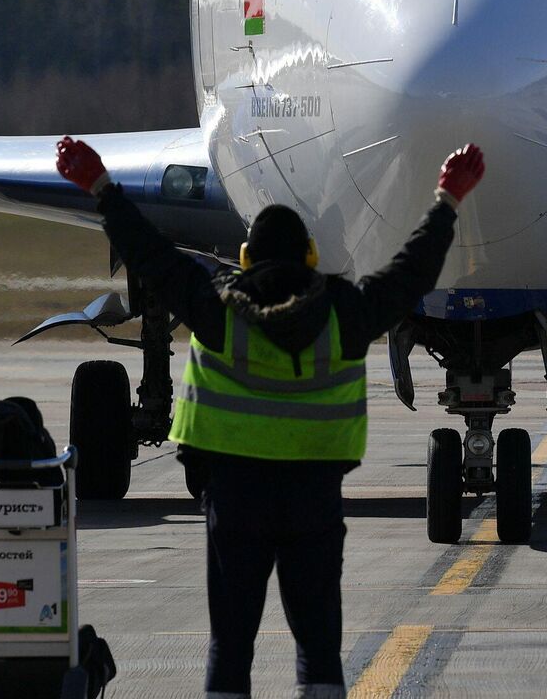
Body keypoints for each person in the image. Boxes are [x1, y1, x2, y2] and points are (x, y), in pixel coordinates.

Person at [55, 136, 485, 699]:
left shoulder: (216, 310)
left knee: (230, 649)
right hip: (314, 500)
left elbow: (151, 255)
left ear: (245, 259)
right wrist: (448, 200)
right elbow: (411, 273)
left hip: (234, 499)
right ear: (311, 258)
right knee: (319, 651)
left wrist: (102, 188)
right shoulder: (344, 314)